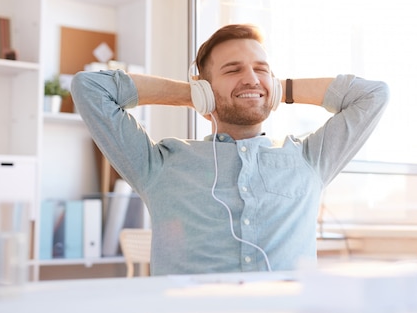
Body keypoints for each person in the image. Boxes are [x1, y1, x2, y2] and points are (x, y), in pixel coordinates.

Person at [71, 23, 389, 275]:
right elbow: (89, 88)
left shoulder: (310, 158)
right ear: (204, 87)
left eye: (261, 69)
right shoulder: (160, 165)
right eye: (233, 70)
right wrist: (193, 94)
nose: (251, 79)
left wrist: (282, 89)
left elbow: (374, 94)